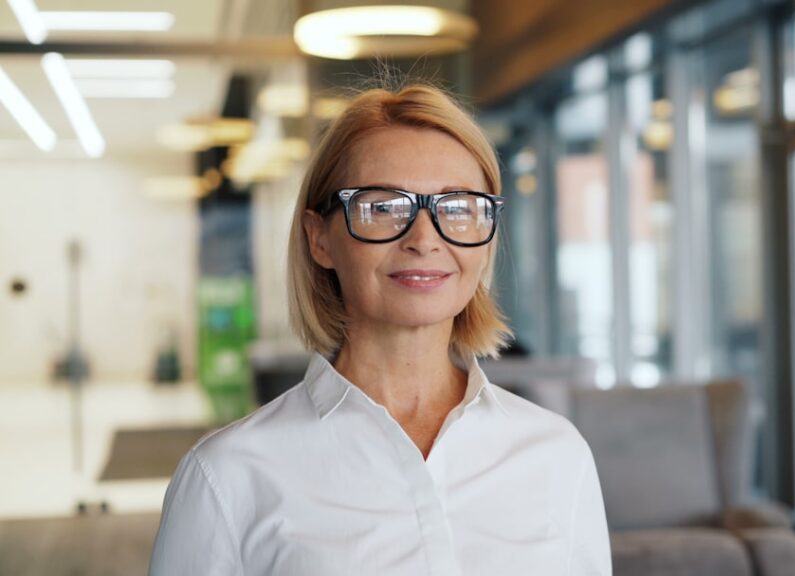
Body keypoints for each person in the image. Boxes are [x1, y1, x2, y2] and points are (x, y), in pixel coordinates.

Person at [149, 83, 612, 575]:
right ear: (319, 238)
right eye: (384, 207)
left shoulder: (557, 454)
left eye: (457, 208)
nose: (423, 239)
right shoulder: (227, 476)